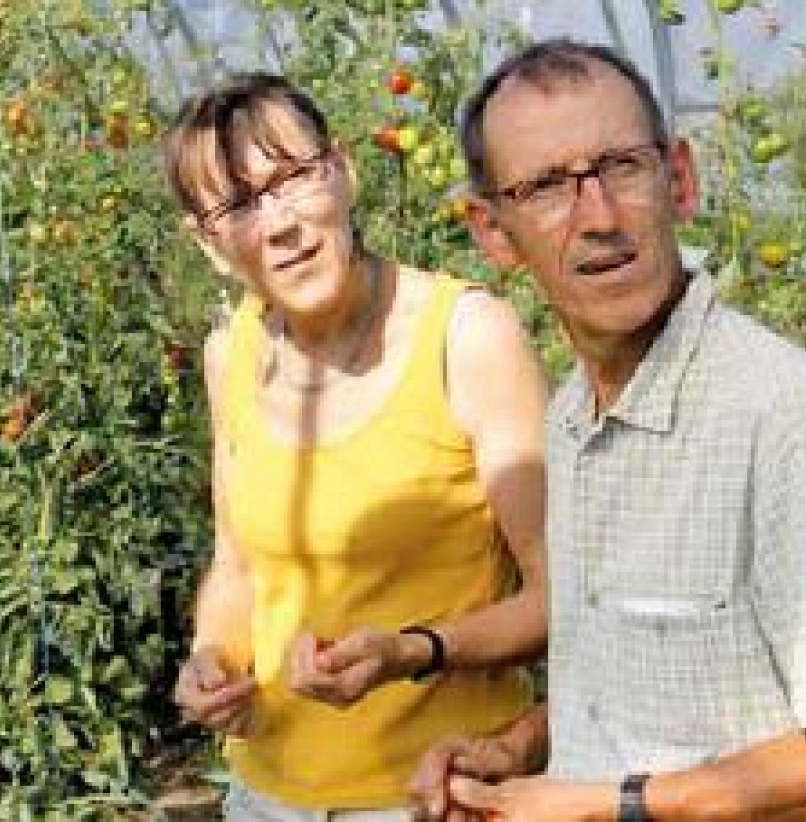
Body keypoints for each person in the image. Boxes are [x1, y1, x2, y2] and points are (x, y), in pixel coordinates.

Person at [408, 39, 806, 821]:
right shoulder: (568, 421)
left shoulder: (787, 418)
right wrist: (517, 749)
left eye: (622, 166)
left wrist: (609, 806)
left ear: (679, 180)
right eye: (548, 188)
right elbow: (640, 686)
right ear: (494, 233)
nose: (599, 218)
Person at [159, 72, 551, 818]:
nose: (280, 225)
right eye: (239, 205)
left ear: (342, 171)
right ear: (208, 243)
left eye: (294, 179)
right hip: (265, 796)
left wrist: (409, 650)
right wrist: (214, 659)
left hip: (436, 793)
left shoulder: (466, 337)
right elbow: (236, 567)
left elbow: (560, 597)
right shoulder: (229, 355)